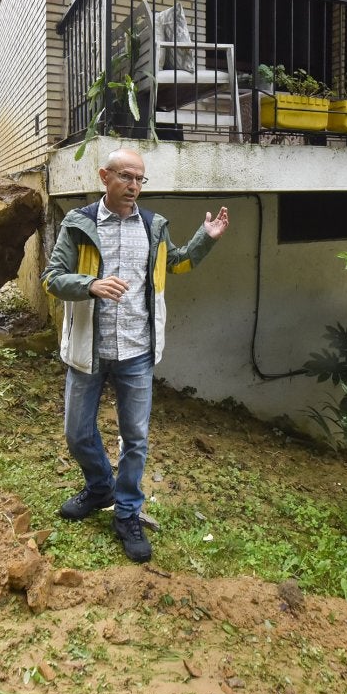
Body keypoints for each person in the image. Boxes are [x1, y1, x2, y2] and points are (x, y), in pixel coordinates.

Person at [42, 148, 229, 562]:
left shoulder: (152, 226)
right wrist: (90, 284)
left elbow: (175, 264)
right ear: (104, 176)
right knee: (77, 432)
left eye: (140, 179)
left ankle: (127, 512)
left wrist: (205, 240)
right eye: (126, 177)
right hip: (89, 350)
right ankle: (99, 486)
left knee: (136, 438)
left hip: (137, 351)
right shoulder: (79, 224)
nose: (134, 186)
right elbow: (52, 278)